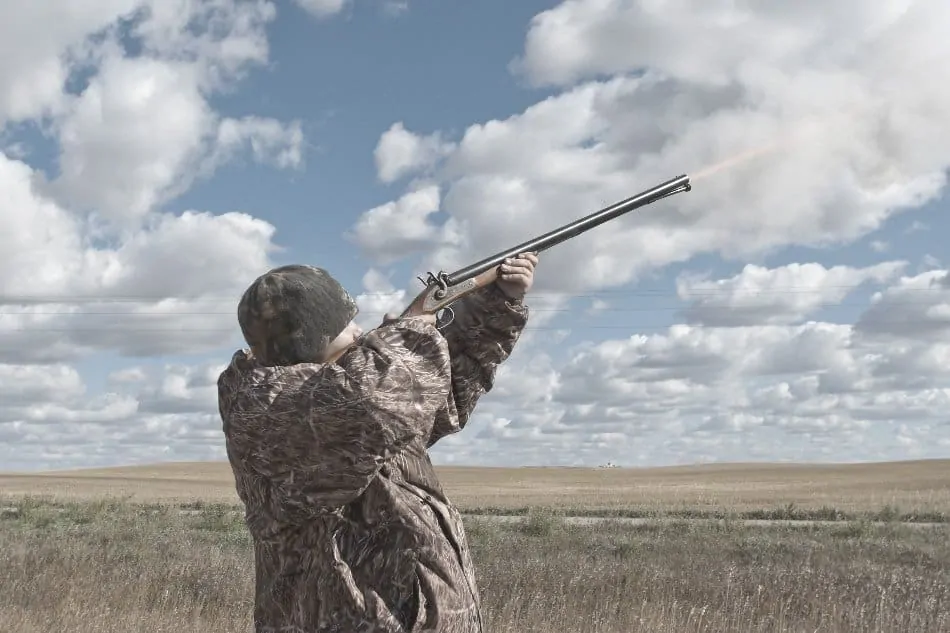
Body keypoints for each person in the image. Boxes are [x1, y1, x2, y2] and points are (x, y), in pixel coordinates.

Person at [217, 253, 538, 633]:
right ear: (306, 338)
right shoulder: (271, 408)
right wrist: (409, 331)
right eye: (345, 327)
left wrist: (498, 303)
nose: (358, 333)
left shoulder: (350, 401)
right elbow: (371, 400)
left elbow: (437, 396)